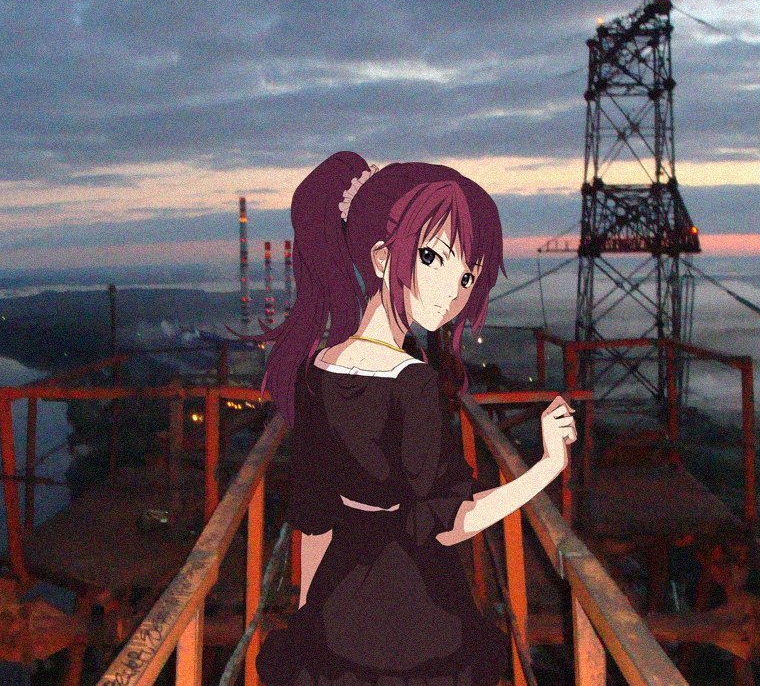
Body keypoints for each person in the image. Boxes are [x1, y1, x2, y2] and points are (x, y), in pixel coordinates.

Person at [234, 151, 577, 685]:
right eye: (433, 258)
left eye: (468, 276)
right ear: (380, 258)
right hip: (414, 613)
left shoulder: (317, 368)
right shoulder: (412, 383)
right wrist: (547, 467)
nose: (452, 291)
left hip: (337, 602)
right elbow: (452, 523)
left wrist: (308, 614)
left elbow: (315, 517)